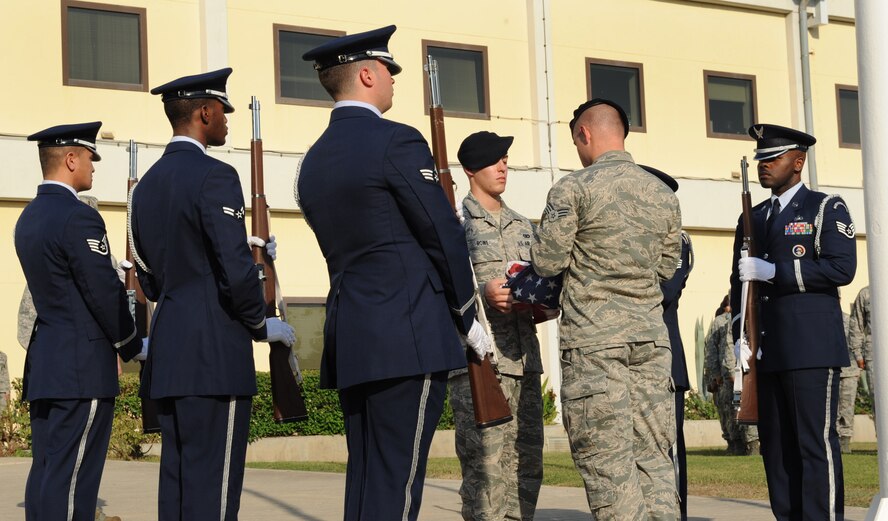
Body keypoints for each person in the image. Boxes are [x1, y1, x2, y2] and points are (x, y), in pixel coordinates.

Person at [297, 26, 490, 521]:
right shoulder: (397, 140)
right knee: (398, 483)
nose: (393, 80)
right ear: (365, 74)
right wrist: (468, 315)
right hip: (407, 334)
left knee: (366, 477)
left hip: (355, 335)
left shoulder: (312, 162)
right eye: (388, 70)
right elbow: (441, 231)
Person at [129, 68, 295, 520]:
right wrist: (261, 323)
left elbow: (151, 281)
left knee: (180, 490)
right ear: (204, 111)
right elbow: (236, 274)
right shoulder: (216, 176)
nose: (227, 120)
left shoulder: (143, 189)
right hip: (213, 356)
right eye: (223, 111)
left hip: (170, 353)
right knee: (215, 495)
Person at [531, 98, 681, 520]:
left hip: (595, 345)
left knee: (608, 464)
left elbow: (547, 261)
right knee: (653, 458)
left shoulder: (574, 188)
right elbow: (668, 267)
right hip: (650, 343)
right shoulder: (662, 193)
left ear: (585, 134)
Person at [15, 122, 145, 520]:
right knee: (73, 484)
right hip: (80, 369)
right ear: (71, 159)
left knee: (47, 474)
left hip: (48, 365)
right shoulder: (79, 217)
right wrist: (130, 343)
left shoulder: (29, 218)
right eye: (90, 157)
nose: (93, 167)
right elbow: (102, 291)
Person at [730, 123, 856, 520]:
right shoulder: (754, 215)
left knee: (813, 445)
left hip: (810, 347)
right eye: (760, 160)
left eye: (773, 158)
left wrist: (776, 271)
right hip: (767, 348)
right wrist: (740, 335)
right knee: (776, 449)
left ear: (798, 161)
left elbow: (841, 268)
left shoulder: (825, 207)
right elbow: (739, 285)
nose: (764, 166)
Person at [450, 131, 544, 521]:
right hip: (480, 362)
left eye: (505, 159)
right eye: (493, 160)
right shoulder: (455, 226)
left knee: (527, 467)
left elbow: (543, 278)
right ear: (471, 169)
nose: (503, 167)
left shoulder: (524, 225)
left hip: (524, 360)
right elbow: (441, 289)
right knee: (486, 475)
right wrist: (480, 291)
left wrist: (543, 301)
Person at [641, 165, 692, 521]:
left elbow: (663, 291)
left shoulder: (678, 242)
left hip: (663, 362)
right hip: (624, 360)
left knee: (666, 452)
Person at [703, 296, 759, 455]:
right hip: (733, 373)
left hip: (748, 370)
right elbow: (718, 349)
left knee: (743, 406)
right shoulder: (725, 322)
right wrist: (721, 373)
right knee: (731, 409)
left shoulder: (753, 316)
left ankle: (750, 443)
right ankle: (738, 443)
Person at [848, 286, 873, 427]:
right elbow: (856, 323)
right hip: (874, 351)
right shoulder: (866, 293)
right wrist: (857, 353)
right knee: (879, 398)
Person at [837, 308, 860, 453]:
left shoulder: (849, 319)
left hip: (849, 371)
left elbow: (857, 340)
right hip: (830, 369)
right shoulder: (823, 318)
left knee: (847, 408)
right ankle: (834, 439)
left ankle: (845, 442)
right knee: (832, 410)